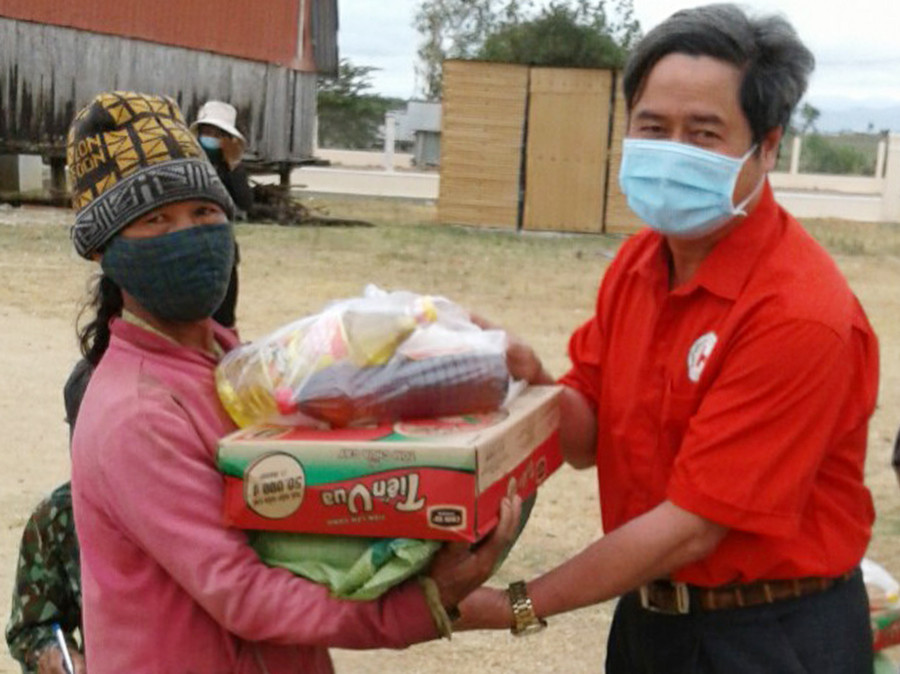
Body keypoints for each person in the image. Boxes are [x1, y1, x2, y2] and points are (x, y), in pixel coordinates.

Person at [461, 5, 879, 673]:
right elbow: (586, 438)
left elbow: (693, 526)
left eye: (704, 133)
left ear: (766, 148)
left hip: (769, 636)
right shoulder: (638, 263)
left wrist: (518, 602)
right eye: (654, 128)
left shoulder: (798, 313)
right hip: (651, 621)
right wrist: (530, 377)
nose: (672, 150)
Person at [65, 91, 519, 673]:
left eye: (204, 213)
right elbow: (243, 594)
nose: (189, 233)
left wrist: (453, 356)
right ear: (105, 249)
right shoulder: (138, 413)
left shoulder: (235, 364)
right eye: (156, 220)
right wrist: (417, 604)